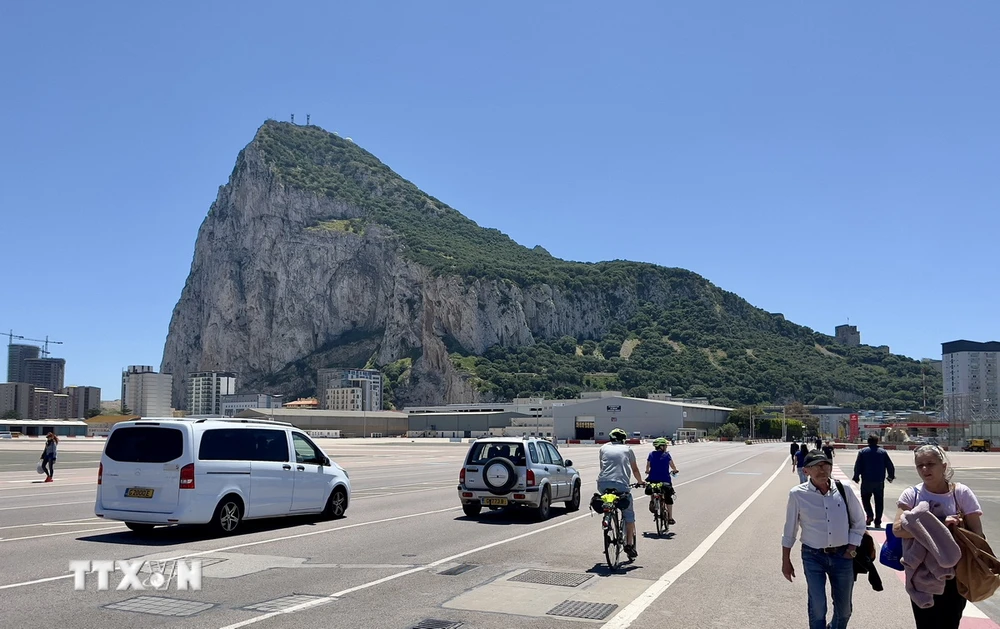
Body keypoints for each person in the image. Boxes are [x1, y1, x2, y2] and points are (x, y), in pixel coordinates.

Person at [892, 445, 985, 629]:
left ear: (943, 466)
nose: (925, 469)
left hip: (955, 575)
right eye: (920, 465)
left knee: (950, 624)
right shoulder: (912, 495)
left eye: (930, 464)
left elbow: (978, 535)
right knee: (926, 625)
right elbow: (898, 529)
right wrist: (940, 524)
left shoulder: (961, 493)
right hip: (921, 576)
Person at [782, 450, 866, 629]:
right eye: (816, 466)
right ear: (806, 471)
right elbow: (790, 529)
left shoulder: (844, 490)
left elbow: (859, 521)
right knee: (818, 606)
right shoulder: (797, 494)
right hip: (813, 556)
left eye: (825, 465)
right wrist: (785, 560)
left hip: (843, 555)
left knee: (844, 610)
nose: (822, 470)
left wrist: (852, 548)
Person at [598, 428, 645, 559]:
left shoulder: (603, 448)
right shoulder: (628, 449)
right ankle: (629, 545)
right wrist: (640, 481)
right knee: (628, 515)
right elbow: (635, 469)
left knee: (608, 500)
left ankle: (609, 516)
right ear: (623, 439)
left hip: (603, 484)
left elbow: (602, 468)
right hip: (621, 485)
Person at [852, 435, 896, 528]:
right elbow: (890, 465)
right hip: (879, 481)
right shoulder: (883, 452)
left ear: (868, 441)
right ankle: (878, 521)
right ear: (877, 441)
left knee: (865, 499)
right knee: (879, 502)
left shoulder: (863, 452)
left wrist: (856, 476)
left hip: (866, 481)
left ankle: (869, 515)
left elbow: (858, 465)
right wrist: (890, 476)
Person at [645, 437, 679, 525]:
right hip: (665, 480)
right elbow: (672, 465)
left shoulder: (651, 454)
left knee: (653, 487)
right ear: (661, 447)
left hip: (652, 479)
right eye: (665, 445)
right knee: (668, 498)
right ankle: (670, 518)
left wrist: (647, 471)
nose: (666, 447)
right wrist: (675, 470)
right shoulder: (667, 455)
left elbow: (647, 466)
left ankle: (652, 501)